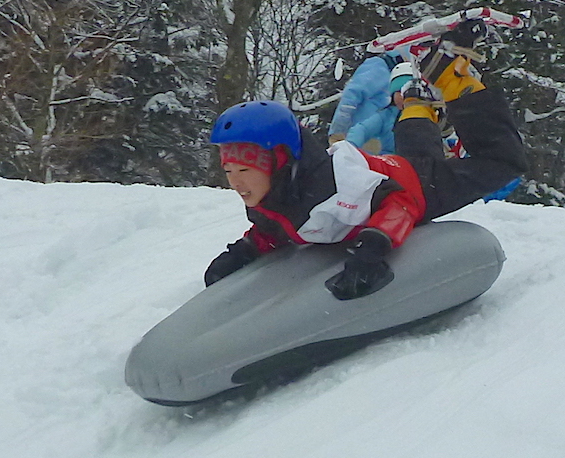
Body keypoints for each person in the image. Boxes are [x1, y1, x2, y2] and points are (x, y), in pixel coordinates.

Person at [205, 19, 528, 300]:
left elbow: (399, 202)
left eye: (245, 169)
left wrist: (373, 246)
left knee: (502, 162)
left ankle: (455, 79)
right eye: (229, 170)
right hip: (396, 167)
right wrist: (246, 250)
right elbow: (279, 225)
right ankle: (415, 102)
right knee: (417, 152)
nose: (235, 181)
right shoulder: (276, 191)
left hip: (418, 189)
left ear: (280, 161)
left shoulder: (333, 189)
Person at [327, 51, 404, 149]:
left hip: (384, 139)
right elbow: (351, 95)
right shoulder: (377, 66)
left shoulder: (399, 74)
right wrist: (338, 130)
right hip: (360, 135)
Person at [343, 61, 416, 154]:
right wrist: (349, 147)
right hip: (391, 161)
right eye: (398, 92)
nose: (402, 97)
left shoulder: (426, 115)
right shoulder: (387, 116)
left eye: (407, 92)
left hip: (420, 161)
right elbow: (362, 129)